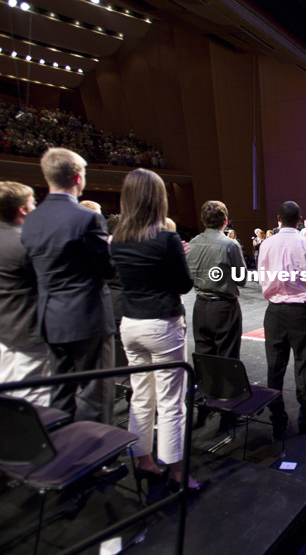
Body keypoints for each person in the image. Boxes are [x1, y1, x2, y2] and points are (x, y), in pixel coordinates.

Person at [109, 169, 198, 491]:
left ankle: (144, 460)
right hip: (162, 324)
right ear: (157, 199)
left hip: (130, 324)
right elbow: (184, 285)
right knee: (172, 401)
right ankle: (176, 470)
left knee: (141, 396)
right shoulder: (166, 238)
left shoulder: (116, 239)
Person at [21, 147, 117, 423]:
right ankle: (97, 457)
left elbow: (29, 268)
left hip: (51, 317)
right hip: (88, 317)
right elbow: (107, 269)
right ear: (78, 178)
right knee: (95, 391)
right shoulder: (87, 218)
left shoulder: (31, 219)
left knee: (60, 390)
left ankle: (65, 452)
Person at [0, 182, 51, 405]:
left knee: (9, 387)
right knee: (34, 394)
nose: (35, 207)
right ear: (22, 209)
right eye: (33, 203)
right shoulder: (24, 242)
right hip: (28, 325)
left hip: (5, 323)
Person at [257, 201, 306, 440]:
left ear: (278, 218)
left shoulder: (266, 244)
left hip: (274, 312)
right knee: (303, 365)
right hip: (300, 312)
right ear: (300, 219)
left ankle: (278, 421)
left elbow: (262, 276)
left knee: (274, 367)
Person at [186, 200, 246, 364]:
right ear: (225, 220)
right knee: (228, 358)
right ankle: (226, 390)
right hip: (223, 308)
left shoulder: (193, 243)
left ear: (203, 220)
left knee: (204, 357)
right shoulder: (230, 244)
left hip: (199, 307)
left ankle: (206, 389)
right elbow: (241, 280)